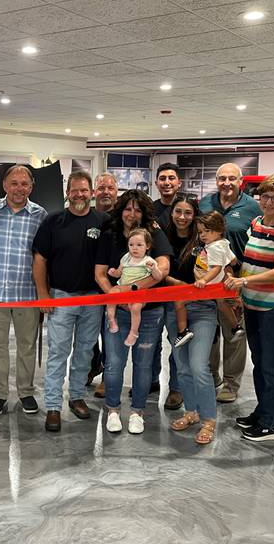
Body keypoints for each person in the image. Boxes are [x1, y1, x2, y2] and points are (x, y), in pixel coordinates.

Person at [224, 175, 274, 442]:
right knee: (258, 361)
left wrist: (243, 280)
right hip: (252, 301)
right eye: (264, 197)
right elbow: (250, 259)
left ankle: (272, 424)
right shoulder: (256, 223)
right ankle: (263, 411)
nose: (268, 202)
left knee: (271, 363)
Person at [33, 170, 106, 432]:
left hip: (93, 299)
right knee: (58, 352)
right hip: (62, 297)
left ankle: (76, 397)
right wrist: (43, 295)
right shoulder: (53, 222)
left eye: (84, 190)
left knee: (85, 352)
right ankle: (53, 406)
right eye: (74, 190)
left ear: (92, 193)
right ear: (68, 193)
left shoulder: (103, 220)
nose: (79, 194)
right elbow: (39, 260)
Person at [95, 190, 171, 435]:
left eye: (137, 209)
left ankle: (138, 412)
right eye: (128, 208)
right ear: (121, 210)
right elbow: (101, 273)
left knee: (144, 364)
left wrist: (132, 291)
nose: (132, 214)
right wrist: (116, 297)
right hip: (118, 311)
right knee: (114, 363)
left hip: (149, 313)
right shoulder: (111, 235)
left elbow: (163, 267)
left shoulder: (155, 233)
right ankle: (113, 410)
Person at [0, 165, 47, 416]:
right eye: (14, 183)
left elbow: (43, 257)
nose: (19, 188)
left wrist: (44, 293)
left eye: (24, 184)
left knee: (27, 346)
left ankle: (25, 392)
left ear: (31, 187)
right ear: (4, 185)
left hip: (26, 293)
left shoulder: (39, 215)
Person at [199, 162, 261, 402]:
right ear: (216, 181)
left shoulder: (252, 207)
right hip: (208, 279)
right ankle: (212, 376)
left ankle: (231, 384)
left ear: (240, 181)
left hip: (234, 281)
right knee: (209, 330)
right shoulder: (205, 203)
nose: (226, 183)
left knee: (234, 331)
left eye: (231, 179)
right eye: (222, 178)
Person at [162, 195, 219, 444]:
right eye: (178, 211)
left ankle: (209, 419)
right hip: (175, 309)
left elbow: (223, 267)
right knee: (182, 367)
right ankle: (192, 412)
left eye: (187, 212)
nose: (182, 217)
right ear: (171, 213)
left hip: (203, 309)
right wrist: (178, 285)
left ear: (195, 215)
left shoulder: (207, 241)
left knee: (198, 366)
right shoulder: (162, 237)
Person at [176, 211, 243, 347]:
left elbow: (216, 268)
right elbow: (233, 259)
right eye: (200, 232)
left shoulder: (214, 248)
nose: (203, 235)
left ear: (219, 230)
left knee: (180, 301)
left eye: (207, 231)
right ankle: (236, 326)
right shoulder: (223, 243)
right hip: (218, 285)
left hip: (209, 287)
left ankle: (183, 332)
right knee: (222, 305)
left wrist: (204, 280)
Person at [151, 163, 183, 408]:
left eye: (171, 178)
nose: (167, 182)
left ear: (178, 182)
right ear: (156, 183)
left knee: (177, 340)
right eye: (162, 178)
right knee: (150, 339)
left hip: (179, 285)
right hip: (153, 284)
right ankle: (150, 380)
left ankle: (176, 387)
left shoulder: (188, 209)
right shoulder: (148, 211)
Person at [106, 228, 164, 346]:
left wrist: (154, 269)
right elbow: (119, 272)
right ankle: (112, 320)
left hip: (140, 293)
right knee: (111, 295)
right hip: (122, 287)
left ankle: (134, 332)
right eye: (131, 245)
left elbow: (158, 277)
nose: (134, 248)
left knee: (136, 307)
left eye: (139, 245)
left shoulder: (148, 261)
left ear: (147, 246)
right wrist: (114, 273)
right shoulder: (126, 257)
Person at [89, 172, 118, 398]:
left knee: (110, 336)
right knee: (87, 336)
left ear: (116, 191)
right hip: (88, 288)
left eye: (110, 188)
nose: (105, 192)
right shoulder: (87, 215)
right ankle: (92, 366)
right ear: (94, 192)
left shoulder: (123, 217)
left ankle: (108, 377)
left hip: (114, 288)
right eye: (101, 188)